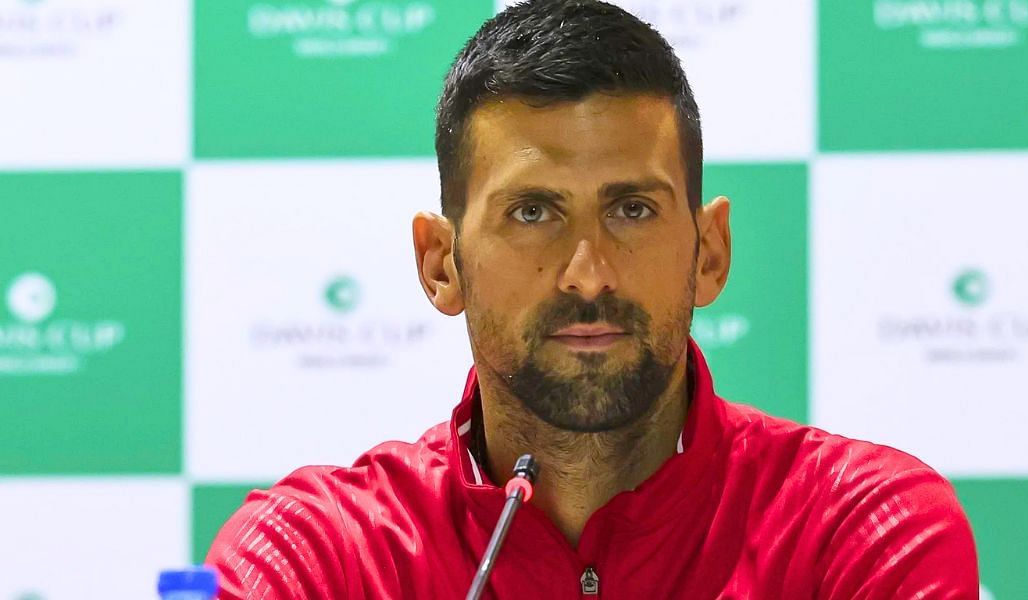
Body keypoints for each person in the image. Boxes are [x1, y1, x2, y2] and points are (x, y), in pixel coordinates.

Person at [205, 1, 979, 598]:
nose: (588, 274)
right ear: (440, 264)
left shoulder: (860, 529)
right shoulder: (315, 553)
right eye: (532, 213)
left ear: (709, 254)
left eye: (632, 210)